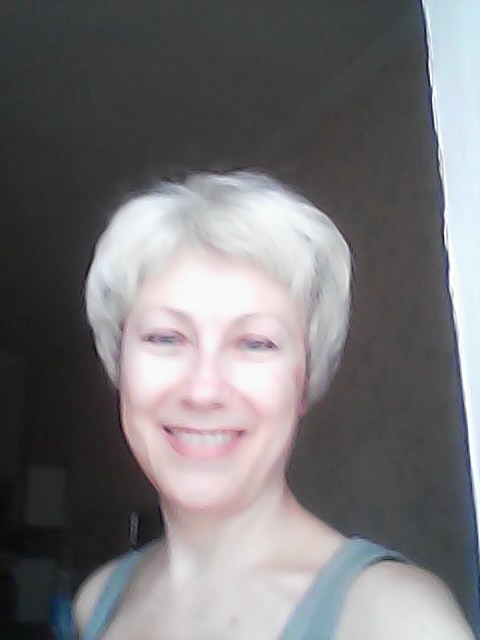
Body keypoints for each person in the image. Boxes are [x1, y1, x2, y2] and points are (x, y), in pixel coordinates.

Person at [74, 171, 475, 639]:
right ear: (120, 362)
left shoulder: (395, 620)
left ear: (303, 381)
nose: (203, 391)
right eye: (166, 338)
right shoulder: (99, 601)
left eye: (255, 343)